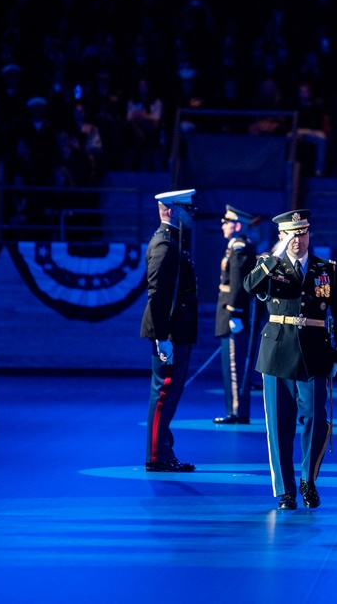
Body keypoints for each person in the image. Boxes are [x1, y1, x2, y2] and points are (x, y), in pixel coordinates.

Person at [242, 209, 337, 510]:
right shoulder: (268, 265)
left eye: (302, 233)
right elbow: (250, 287)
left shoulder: (325, 269)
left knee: (315, 419)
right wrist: (275, 256)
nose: (297, 239)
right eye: (291, 234)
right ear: (281, 237)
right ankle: (286, 490)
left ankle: (307, 480)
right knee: (279, 425)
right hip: (276, 351)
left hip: (314, 351)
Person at [140, 189, 198, 472]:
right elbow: (158, 295)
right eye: (187, 209)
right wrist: (162, 337)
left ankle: (164, 450)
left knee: (170, 395)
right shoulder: (165, 245)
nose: (191, 214)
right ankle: (156, 456)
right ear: (173, 211)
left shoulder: (173, 241)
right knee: (163, 394)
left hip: (177, 331)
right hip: (171, 333)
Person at [213, 205, 257, 425]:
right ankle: (236, 410)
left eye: (227, 222)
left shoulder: (239, 248)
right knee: (233, 365)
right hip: (232, 313)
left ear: (237, 225)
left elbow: (239, 284)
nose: (223, 225)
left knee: (233, 366)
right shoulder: (236, 247)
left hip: (234, 315)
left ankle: (236, 412)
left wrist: (236, 314)